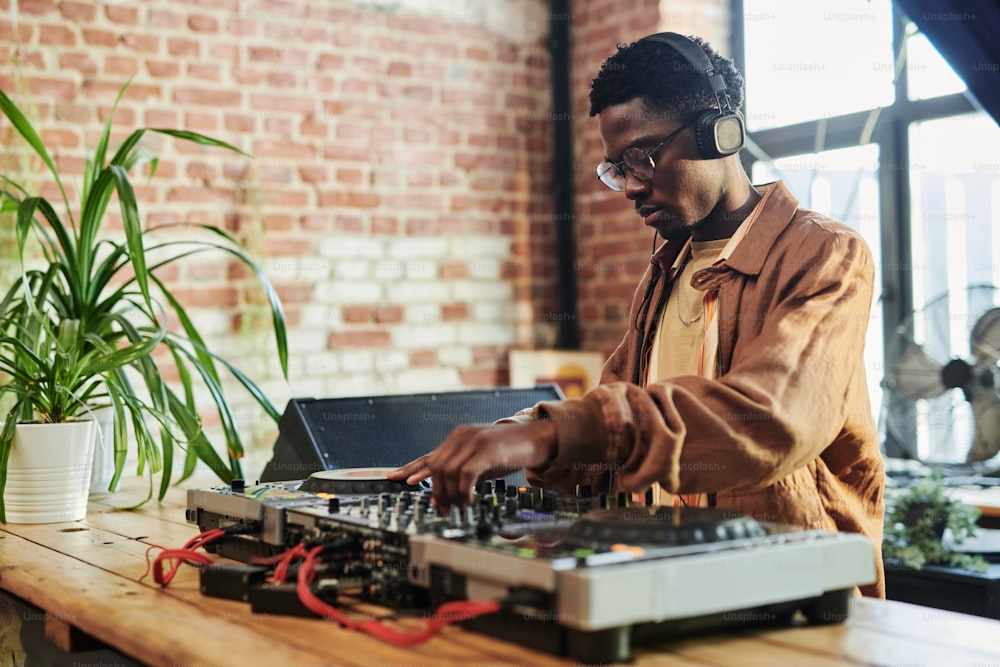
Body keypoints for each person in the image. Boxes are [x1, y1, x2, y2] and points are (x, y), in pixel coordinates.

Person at [389, 32, 885, 598]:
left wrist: (548, 437)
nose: (629, 186)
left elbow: (772, 420)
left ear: (719, 134)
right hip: (674, 589)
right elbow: (612, 440)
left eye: (642, 157)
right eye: (615, 168)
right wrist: (520, 434)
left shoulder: (824, 254)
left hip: (794, 603)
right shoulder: (664, 272)